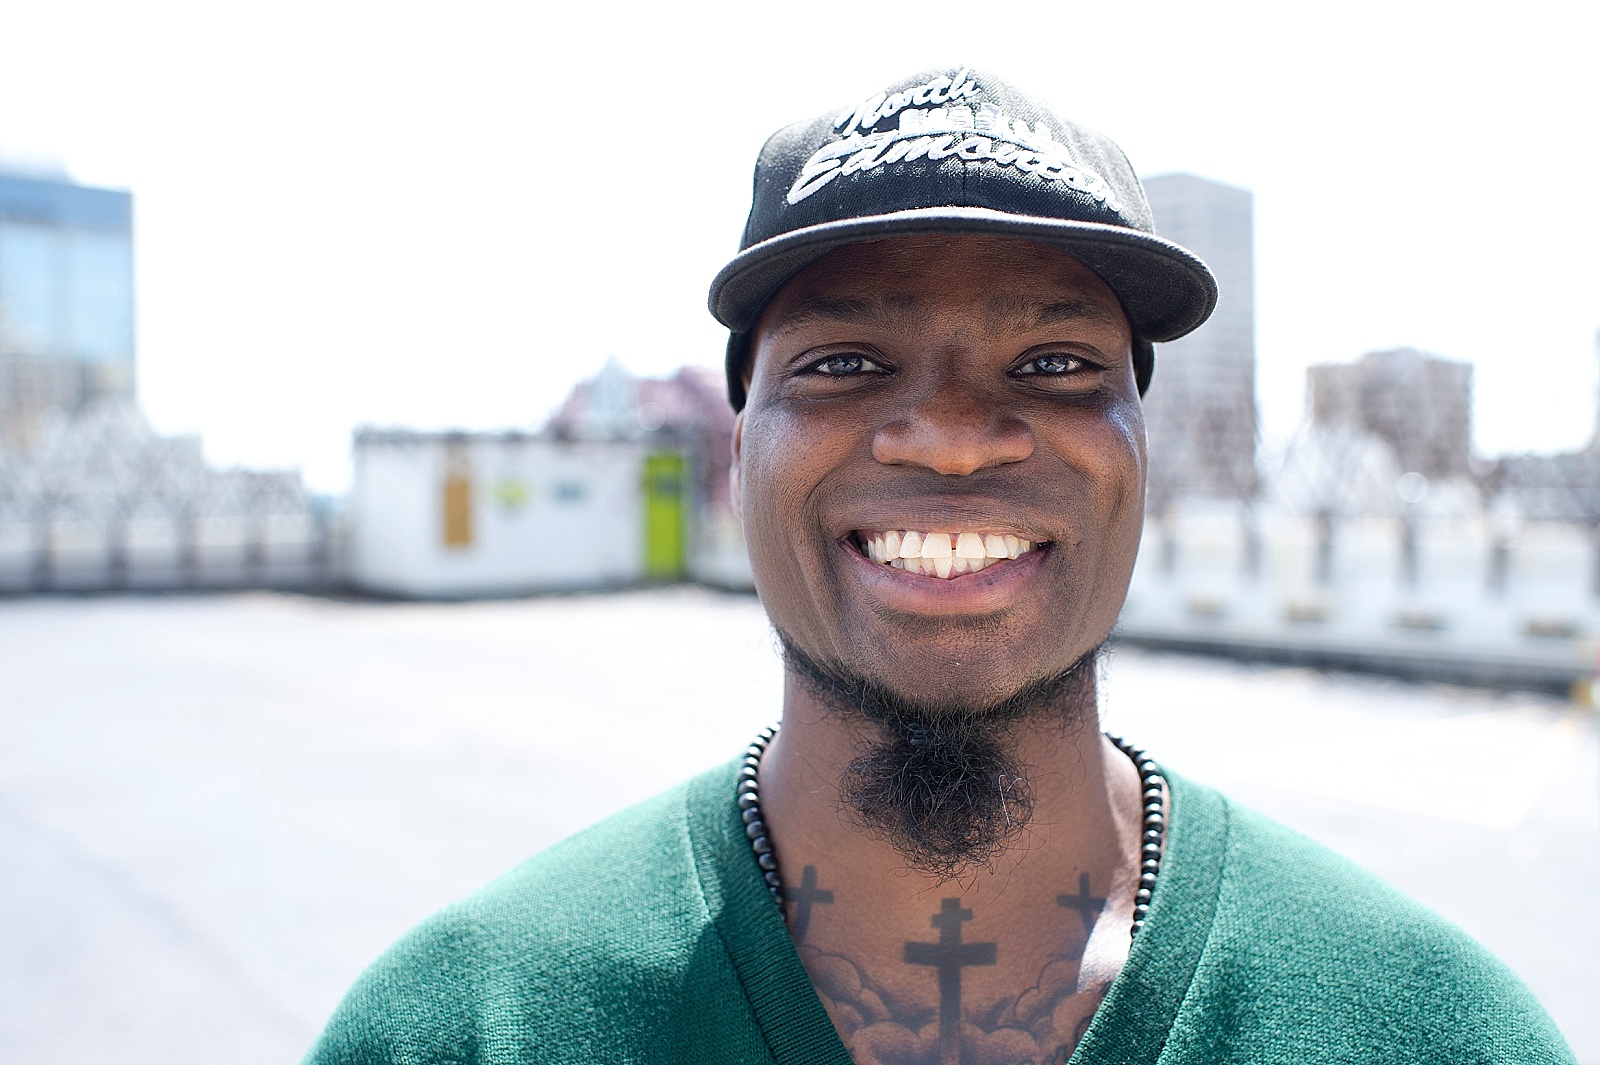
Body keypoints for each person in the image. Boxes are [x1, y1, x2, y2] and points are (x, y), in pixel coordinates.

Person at [306, 67, 1574, 1065]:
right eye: (847, 362)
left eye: (1056, 366)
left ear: (1143, 451)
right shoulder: (469, 1028)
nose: (953, 438)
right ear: (738, 451)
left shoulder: (1429, 1031)